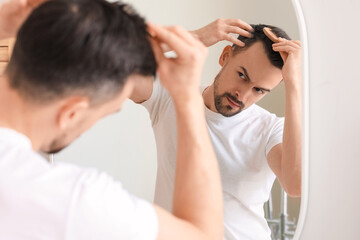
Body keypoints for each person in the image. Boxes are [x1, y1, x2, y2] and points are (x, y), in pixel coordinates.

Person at [0, 0, 224, 239]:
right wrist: (188, 96)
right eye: (105, 113)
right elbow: (204, 235)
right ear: (72, 113)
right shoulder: (70, 201)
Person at [131, 19, 302, 240]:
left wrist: (295, 84)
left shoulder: (269, 128)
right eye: (242, 75)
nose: (243, 95)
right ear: (225, 56)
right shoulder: (171, 95)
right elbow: (108, 59)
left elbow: (294, 185)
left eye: (259, 90)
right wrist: (197, 37)